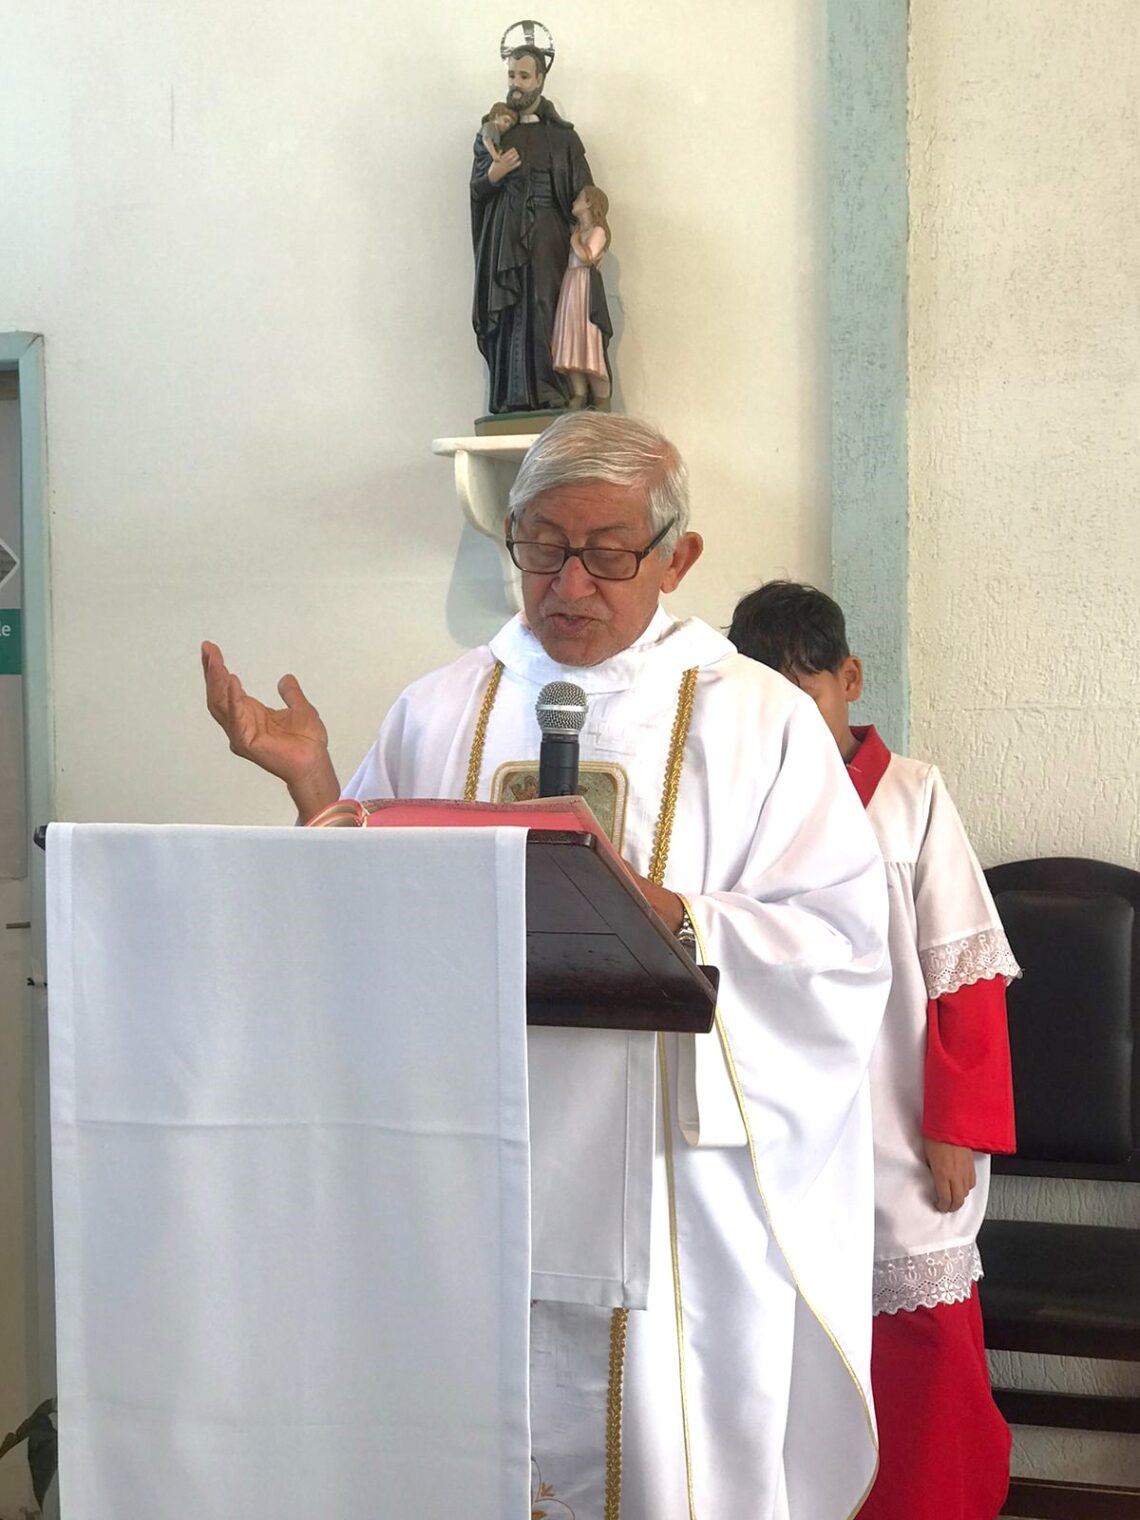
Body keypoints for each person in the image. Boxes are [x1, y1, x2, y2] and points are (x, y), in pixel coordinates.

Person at [202, 414, 891, 1519]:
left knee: (665, 1458)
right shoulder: (444, 704)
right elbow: (360, 905)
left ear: (679, 556)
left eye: (608, 550)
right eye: (540, 545)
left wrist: (671, 913)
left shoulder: (756, 718)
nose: (569, 581)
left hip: (671, 1180)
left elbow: (847, 945)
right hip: (473, 1160)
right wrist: (315, 783)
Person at [728, 579, 1019, 1520]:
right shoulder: (734, 801)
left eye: (805, 694)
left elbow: (963, 971)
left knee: (921, 1345)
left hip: (899, 1124)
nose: (790, 724)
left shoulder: (911, 797)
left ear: (850, 679)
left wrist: (958, 1127)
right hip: (775, 1122)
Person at [470, 46, 593, 414]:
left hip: (548, 236)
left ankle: (552, 390)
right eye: (512, 76)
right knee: (509, 311)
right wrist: (496, 172)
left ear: (540, 79)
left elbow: (583, 192)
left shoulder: (563, 137)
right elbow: (477, 187)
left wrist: (590, 237)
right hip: (504, 235)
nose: (516, 84)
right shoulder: (492, 134)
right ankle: (511, 395)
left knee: (547, 306)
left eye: (524, 76)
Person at [551, 185, 612, 410]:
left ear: (589, 203)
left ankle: (601, 399)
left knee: (588, 337)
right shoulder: (577, 230)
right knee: (571, 336)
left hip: (585, 288)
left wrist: (575, 242)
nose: (574, 201)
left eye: (579, 198)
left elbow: (587, 257)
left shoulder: (598, 231)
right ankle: (579, 392)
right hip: (572, 286)